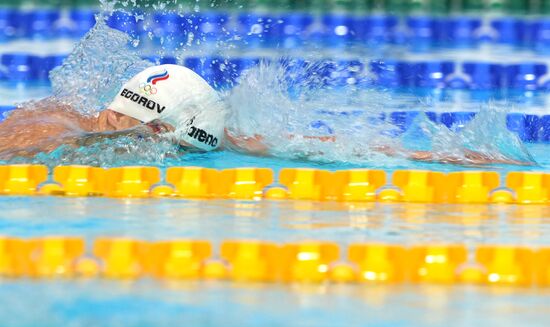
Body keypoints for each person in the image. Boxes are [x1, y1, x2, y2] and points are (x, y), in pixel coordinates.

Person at [0, 64, 532, 166]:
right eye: (178, 145)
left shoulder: (124, 124)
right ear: (163, 130)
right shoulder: (49, 125)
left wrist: (435, 155)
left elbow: (303, 146)